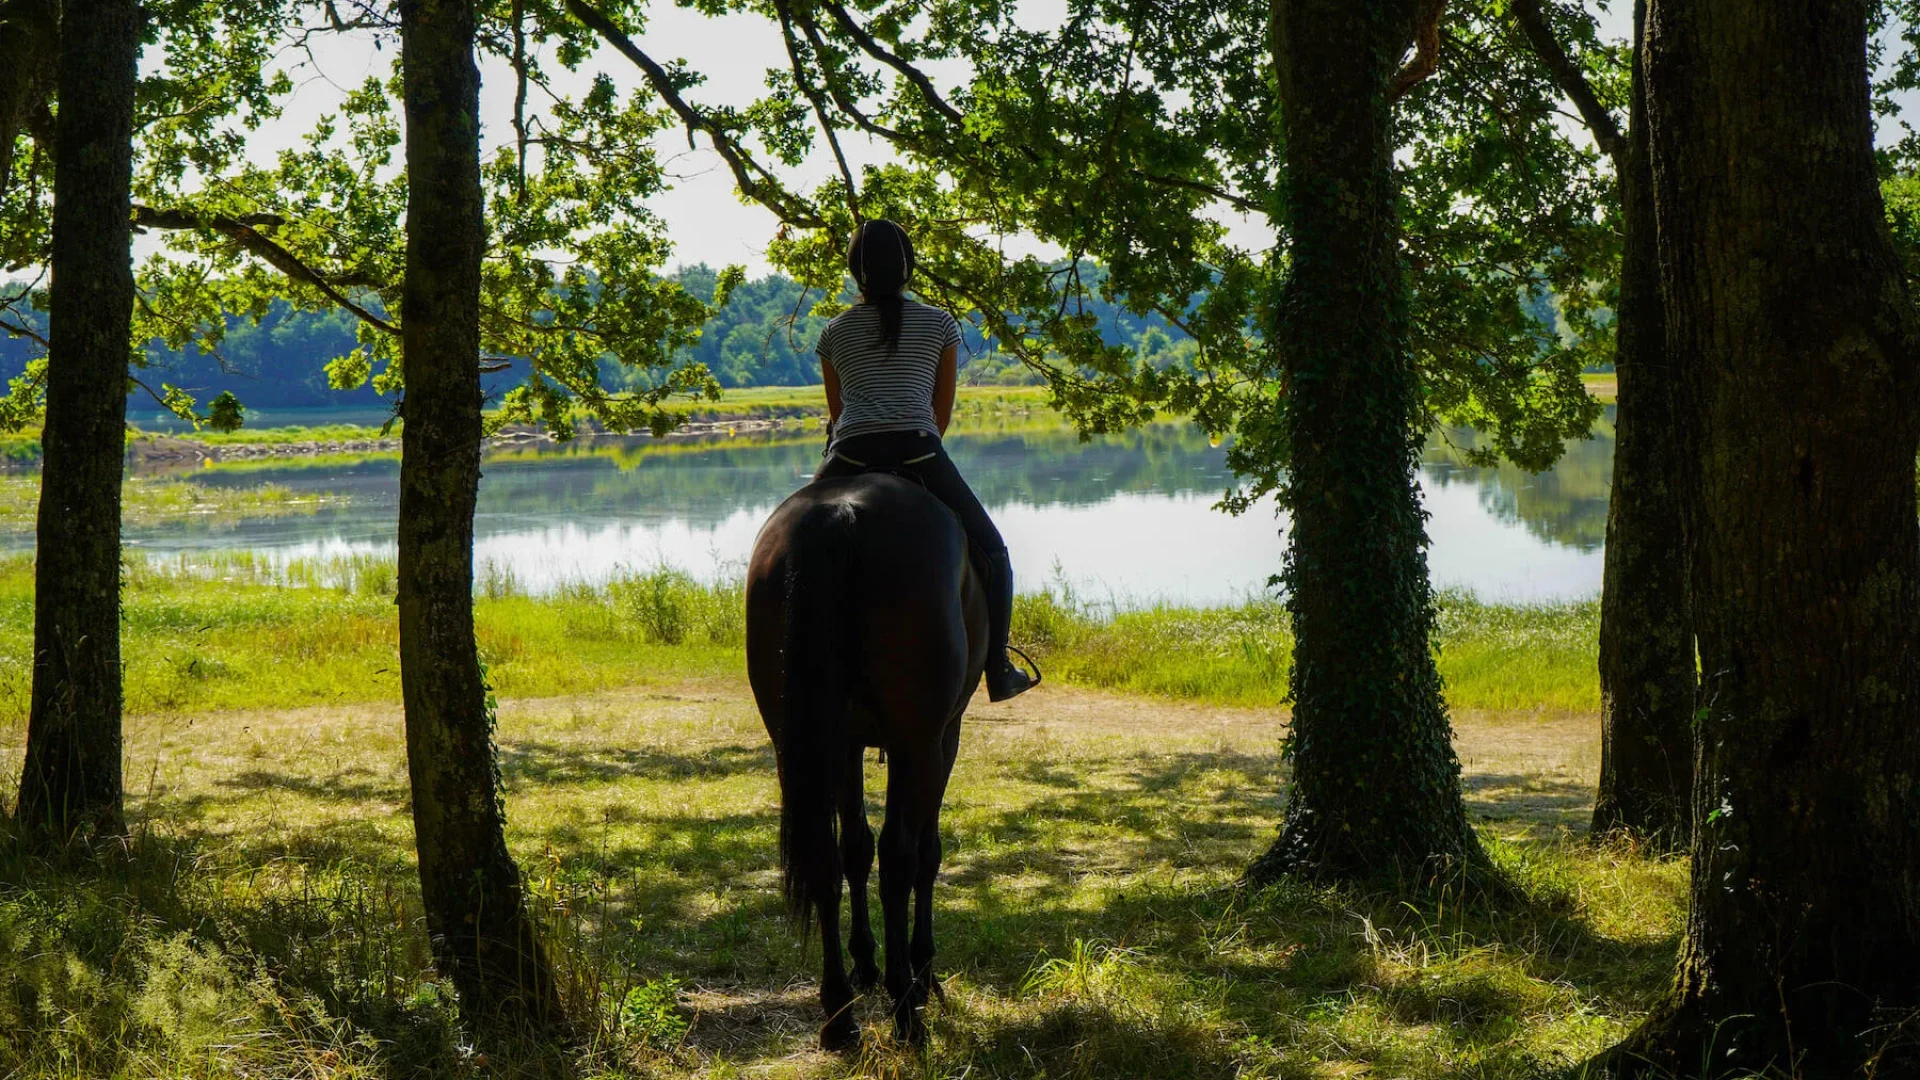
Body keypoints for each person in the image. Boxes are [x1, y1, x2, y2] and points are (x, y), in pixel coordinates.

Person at [812, 218, 1036, 702]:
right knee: (993, 551)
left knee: (791, 534)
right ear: (909, 269)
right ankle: (997, 668)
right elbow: (941, 412)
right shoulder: (939, 324)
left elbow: (838, 415)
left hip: (849, 453)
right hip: (918, 448)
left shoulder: (834, 331)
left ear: (856, 272)